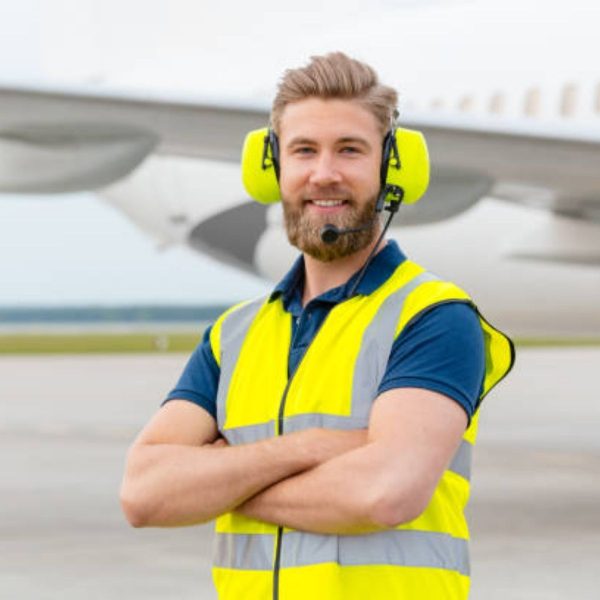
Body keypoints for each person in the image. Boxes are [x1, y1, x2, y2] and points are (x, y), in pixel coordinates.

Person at [120, 52, 514, 600]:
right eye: (303, 150)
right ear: (273, 168)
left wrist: (220, 484)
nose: (324, 172)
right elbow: (144, 494)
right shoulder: (233, 335)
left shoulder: (434, 318)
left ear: (391, 167)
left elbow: (385, 493)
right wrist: (305, 448)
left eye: (350, 150)